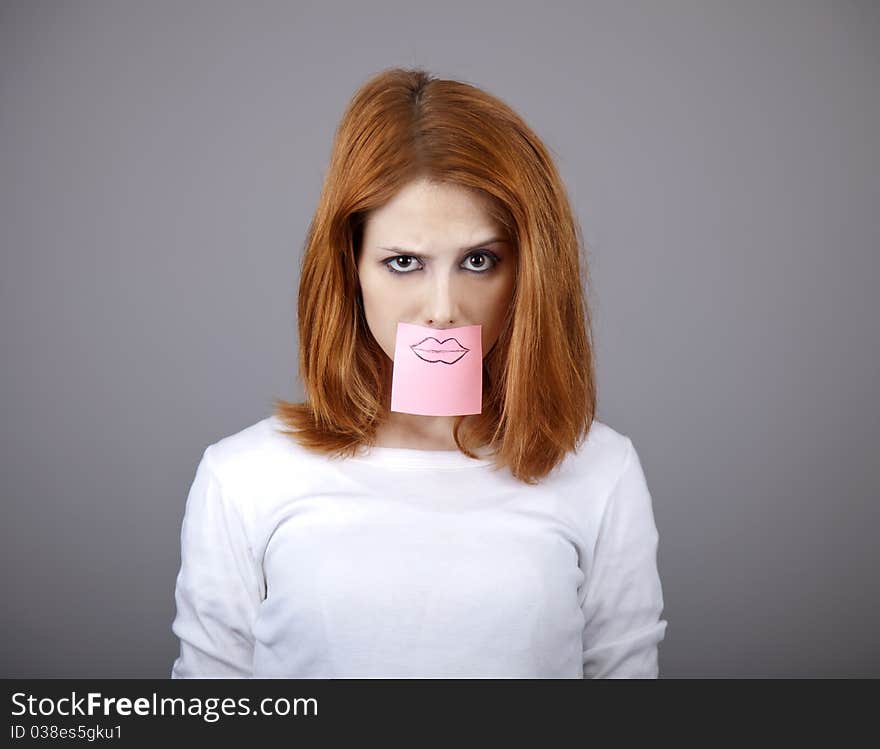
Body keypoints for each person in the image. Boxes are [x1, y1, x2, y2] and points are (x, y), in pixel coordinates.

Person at [170, 67, 668, 678]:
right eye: (404, 262)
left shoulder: (600, 471)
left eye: (479, 261)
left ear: (529, 273)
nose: (442, 309)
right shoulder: (243, 478)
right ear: (350, 266)